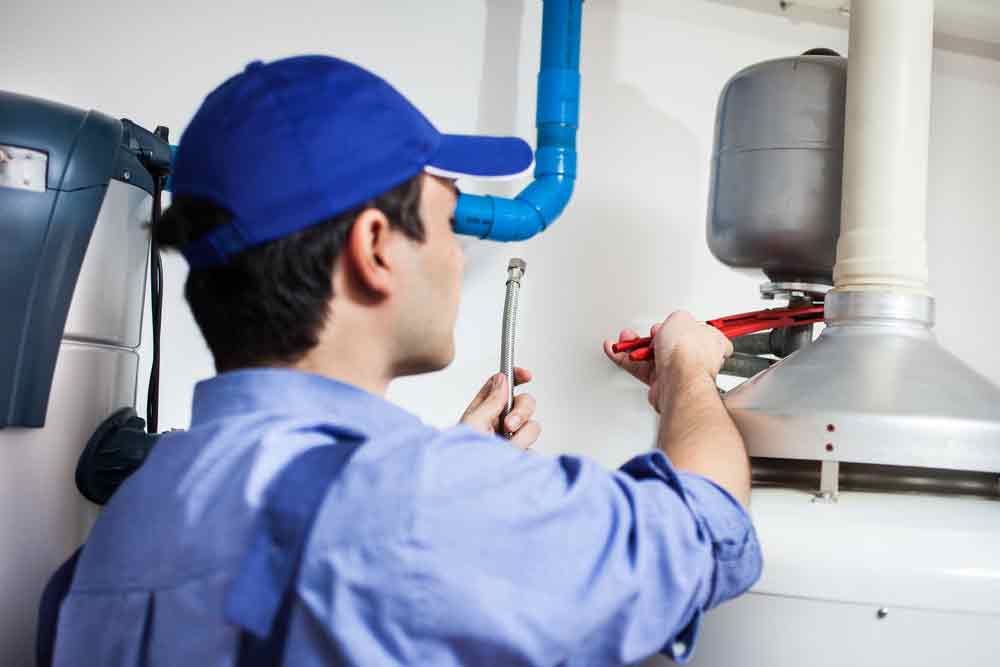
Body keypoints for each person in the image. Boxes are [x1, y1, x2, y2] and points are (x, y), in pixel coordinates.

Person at [49, 55, 760, 666]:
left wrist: (442, 470)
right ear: (376, 247)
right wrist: (689, 371)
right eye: (451, 221)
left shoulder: (124, 521)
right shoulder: (416, 505)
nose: (457, 252)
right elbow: (703, 530)